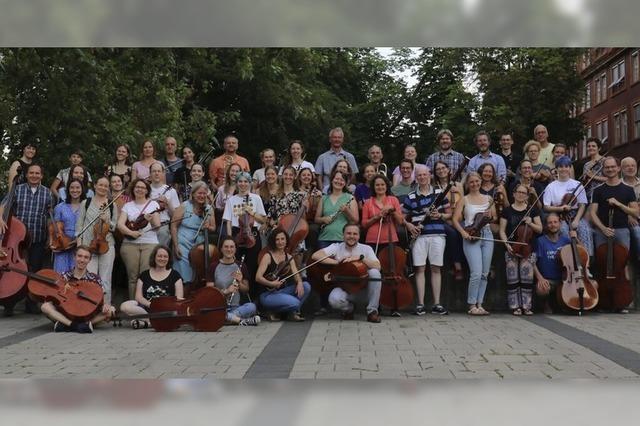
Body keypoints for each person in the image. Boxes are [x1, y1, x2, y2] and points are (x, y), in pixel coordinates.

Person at [0, 163, 53, 315]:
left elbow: (50, 218)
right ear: (27, 174)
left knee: (34, 271)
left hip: (37, 237)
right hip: (16, 239)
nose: (34, 175)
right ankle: (8, 303)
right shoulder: (17, 189)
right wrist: (0, 218)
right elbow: (3, 206)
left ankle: (31, 303)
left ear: (41, 176)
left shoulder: (47, 193)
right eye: (31, 173)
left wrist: (50, 236)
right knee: (13, 271)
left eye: (37, 173)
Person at [310, 224, 382, 323]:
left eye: (355, 234)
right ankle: (349, 309)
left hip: (364, 292)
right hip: (346, 290)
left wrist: (361, 258)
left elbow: (378, 266)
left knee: (375, 273)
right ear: (343, 235)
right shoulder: (336, 247)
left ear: (359, 236)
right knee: (334, 300)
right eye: (348, 233)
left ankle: (372, 311)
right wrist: (337, 262)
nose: (351, 236)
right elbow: (316, 255)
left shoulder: (366, 248)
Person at [403, 165, 451, 316]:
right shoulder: (411, 196)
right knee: (420, 269)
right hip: (419, 236)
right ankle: (420, 304)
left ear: (429, 176)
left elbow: (450, 213)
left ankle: (437, 304)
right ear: (416, 178)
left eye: (424, 175)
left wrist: (440, 216)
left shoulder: (439, 193)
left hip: (437, 234)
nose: (422, 177)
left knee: (436, 268)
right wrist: (409, 225)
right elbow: (402, 216)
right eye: (419, 175)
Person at [589, 157, 638, 296]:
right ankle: (603, 297)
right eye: (607, 167)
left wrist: (619, 204)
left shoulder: (628, 190)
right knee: (601, 264)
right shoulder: (598, 191)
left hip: (622, 230)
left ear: (618, 168)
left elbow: (635, 211)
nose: (610, 169)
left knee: (622, 264)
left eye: (612, 167)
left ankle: (622, 296)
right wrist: (603, 228)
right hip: (602, 231)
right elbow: (593, 213)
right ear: (604, 170)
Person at [453, 172, 496, 316]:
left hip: (487, 235)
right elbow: (455, 219)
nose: (475, 184)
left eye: (477, 181)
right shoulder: (464, 199)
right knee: (476, 273)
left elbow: (494, 218)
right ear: (467, 184)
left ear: (480, 181)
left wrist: (490, 216)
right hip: (471, 236)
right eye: (471, 182)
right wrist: (463, 233)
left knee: (484, 273)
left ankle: (480, 304)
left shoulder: (489, 198)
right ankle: (472, 304)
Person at [44, 246, 115, 333]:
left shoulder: (95, 278)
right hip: (67, 313)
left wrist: (106, 305)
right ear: (74, 257)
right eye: (79, 256)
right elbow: (55, 297)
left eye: (86, 257)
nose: (82, 260)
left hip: (87, 314)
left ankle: (67, 325)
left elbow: (102, 300)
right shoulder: (64, 276)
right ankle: (75, 325)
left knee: (111, 310)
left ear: (89, 260)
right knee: (45, 306)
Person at [499, 183, 543, 315]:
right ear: (513, 194)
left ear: (527, 196)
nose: (521, 195)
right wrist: (506, 244)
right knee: (512, 277)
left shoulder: (532, 210)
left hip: (528, 248)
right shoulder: (507, 211)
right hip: (512, 247)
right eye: (518, 192)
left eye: (524, 193)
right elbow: (502, 231)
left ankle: (526, 306)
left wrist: (531, 223)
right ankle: (515, 306)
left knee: (526, 277)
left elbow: (540, 229)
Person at [222, 172, 268, 297]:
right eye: (240, 181)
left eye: (246, 181)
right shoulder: (231, 200)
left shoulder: (256, 198)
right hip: (238, 234)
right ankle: (238, 296)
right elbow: (229, 221)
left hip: (253, 233)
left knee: (252, 264)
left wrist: (251, 212)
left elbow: (263, 220)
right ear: (237, 183)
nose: (243, 184)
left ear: (249, 183)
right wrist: (230, 239)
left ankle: (253, 296)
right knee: (237, 265)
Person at [76, 176, 117, 308]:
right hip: (89, 246)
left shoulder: (112, 204)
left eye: (106, 186)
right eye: (100, 185)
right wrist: (79, 244)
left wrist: (107, 221)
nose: (103, 188)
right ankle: (89, 307)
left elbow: (114, 227)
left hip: (107, 246)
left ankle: (105, 307)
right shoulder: (85, 203)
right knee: (89, 279)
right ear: (95, 185)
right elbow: (79, 226)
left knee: (105, 279)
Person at [119, 245, 184, 329]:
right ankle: (153, 322)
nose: (162, 259)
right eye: (159, 256)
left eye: (165, 257)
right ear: (154, 257)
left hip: (167, 310)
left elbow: (178, 298)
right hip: (147, 309)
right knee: (125, 306)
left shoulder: (175, 275)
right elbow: (138, 297)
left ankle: (146, 323)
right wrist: (151, 305)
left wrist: (165, 306)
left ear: (169, 259)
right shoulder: (144, 275)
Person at [117, 178, 161, 299]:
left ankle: (144, 305)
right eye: (137, 187)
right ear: (133, 189)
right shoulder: (127, 205)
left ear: (147, 190)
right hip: (130, 245)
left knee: (145, 275)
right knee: (132, 277)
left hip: (149, 243)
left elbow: (157, 227)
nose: (140, 189)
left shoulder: (153, 204)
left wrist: (150, 219)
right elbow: (120, 224)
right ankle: (133, 305)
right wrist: (131, 233)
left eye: (143, 188)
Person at [255, 229, 311, 321]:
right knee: (296, 303)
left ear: (286, 241)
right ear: (273, 241)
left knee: (306, 286)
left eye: (282, 239)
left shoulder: (289, 257)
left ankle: (289, 312)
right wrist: (271, 284)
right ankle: (284, 311)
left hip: (282, 292)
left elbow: (296, 274)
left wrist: (300, 282)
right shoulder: (268, 256)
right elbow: (258, 277)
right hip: (268, 294)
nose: (280, 242)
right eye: (277, 239)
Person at [543, 156, 592, 257]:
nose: (563, 169)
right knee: (564, 232)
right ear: (556, 169)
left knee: (585, 230)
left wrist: (577, 220)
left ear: (570, 168)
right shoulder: (551, 186)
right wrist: (560, 208)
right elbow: (546, 207)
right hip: (559, 216)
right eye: (560, 167)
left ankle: (587, 261)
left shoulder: (578, 184)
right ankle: (568, 260)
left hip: (576, 215)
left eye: (566, 166)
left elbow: (582, 205)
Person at [207, 237, 261, 326]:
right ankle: (241, 321)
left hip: (235, 307)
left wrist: (240, 283)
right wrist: (226, 291)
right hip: (218, 306)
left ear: (235, 249)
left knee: (252, 307)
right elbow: (209, 293)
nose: (229, 249)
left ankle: (227, 318)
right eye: (226, 247)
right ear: (221, 249)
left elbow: (246, 289)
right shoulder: (213, 266)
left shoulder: (241, 266)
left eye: (232, 247)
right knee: (209, 312)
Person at [171, 181, 217, 286]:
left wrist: (208, 227)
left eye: (204, 193)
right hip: (182, 242)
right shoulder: (184, 206)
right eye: (199, 193)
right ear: (193, 194)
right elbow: (174, 226)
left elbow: (213, 228)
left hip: (199, 245)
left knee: (197, 270)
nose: (202, 196)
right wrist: (176, 245)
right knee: (182, 273)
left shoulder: (209, 209)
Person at [432, 160, 464, 280]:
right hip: (441, 219)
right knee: (453, 233)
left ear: (448, 169)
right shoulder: (434, 187)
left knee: (464, 232)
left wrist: (458, 191)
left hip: (457, 217)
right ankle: (457, 266)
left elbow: (463, 203)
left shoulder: (459, 185)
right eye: (438, 169)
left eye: (443, 168)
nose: (441, 171)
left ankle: (462, 265)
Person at [534, 214, 572, 314]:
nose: (553, 225)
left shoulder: (566, 240)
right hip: (548, 280)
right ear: (546, 225)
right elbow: (532, 262)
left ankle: (564, 304)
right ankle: (545, 304)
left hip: (565, 280)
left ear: (560, 224)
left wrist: (575, 238)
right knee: (541, 289)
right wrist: (540, 278)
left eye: (555, 222)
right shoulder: (540, 241)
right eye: (550, 222)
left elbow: (582, 253)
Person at [315, 170, 358, 249]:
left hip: (343, 239)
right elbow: (316, 219)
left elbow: (355, 220)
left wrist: (347, 211)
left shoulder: (350, 198)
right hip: (324, 238)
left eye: (342, 180)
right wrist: (323, 219)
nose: (339, 181)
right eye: (336, 179)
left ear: (345, 183)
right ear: (332, 180)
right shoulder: (324, 198)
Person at [361, 175, 404, 250]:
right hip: (372, 240)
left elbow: (400, 221)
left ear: (386, 186)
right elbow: (364, 224)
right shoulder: (368, 203)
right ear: (373, 187)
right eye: (377, 185)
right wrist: (377, 217)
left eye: (382, 184)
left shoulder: (393, 200)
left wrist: (393, 211)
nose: (380, 187)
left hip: (391, 239)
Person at [51, 179, 85, 273]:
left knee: (77, 277)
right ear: (68, 190)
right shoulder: (60, 207)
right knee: (60, 275)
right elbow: (55, 229)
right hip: (62, 245)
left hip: (79, 245)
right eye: (72, 187)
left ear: (82, 189)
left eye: (78, 187)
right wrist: (54, 243)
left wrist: (77, 241)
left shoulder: (86, 206)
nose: (75, 190)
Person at [149, 162, 181, 247]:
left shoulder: (171, 191)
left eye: (159, 171)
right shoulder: (145, 189)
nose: (156, 173)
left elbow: (175, 216)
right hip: (147, 224)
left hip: (163, 225)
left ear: (163, 173)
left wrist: (168, 203)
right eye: (154, 171)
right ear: (150, 174)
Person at [478, 162, 509, 234]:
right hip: (479, 220)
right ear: (481, 172)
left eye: (490, 172)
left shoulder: (499, 187)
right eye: (485, 171)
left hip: (497, 221)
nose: (488, 174)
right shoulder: (477, 186)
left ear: (493, 174)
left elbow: (507, 206)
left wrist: (503, 194)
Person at [621, 157, 640, 260]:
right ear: (622, 169)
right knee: (637, 233)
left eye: (633, 165)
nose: (630, 168)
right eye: (627, 166)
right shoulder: (619, 185)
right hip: (629, 220)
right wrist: (628, 216)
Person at [581, 137, 607, 201]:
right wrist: (584, 179)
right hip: (589, 195)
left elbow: (609, 179)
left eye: (593, 146)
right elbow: (586, 182)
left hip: (602, 194)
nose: (591, 148)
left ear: (599, 148)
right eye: (589, 146)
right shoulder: (586, 165)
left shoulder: (605, 161)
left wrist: (593, 176)